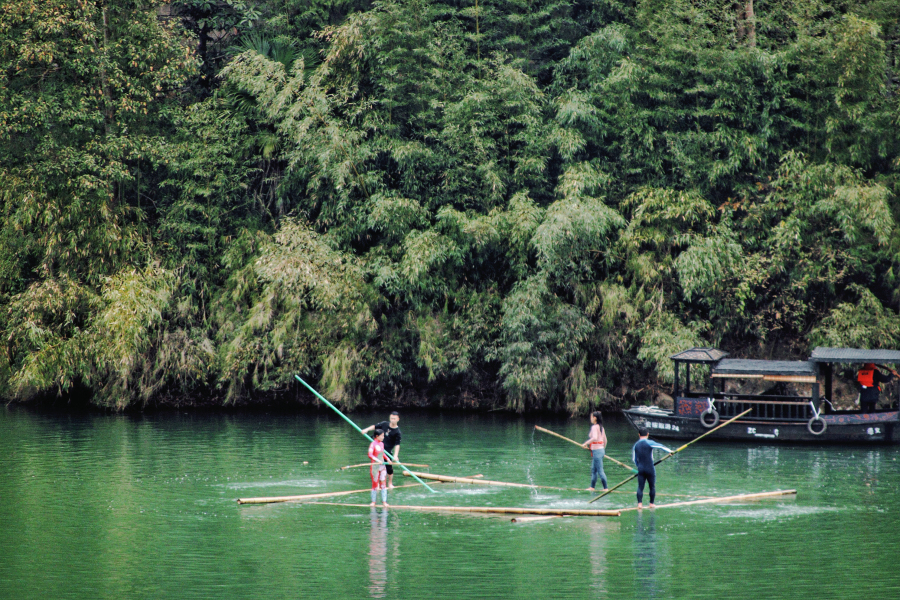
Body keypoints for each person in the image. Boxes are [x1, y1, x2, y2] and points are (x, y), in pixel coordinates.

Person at [632, 427, 673, 509]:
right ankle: (651, 503)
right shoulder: (649, 442)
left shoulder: (636, 445)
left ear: (639, 434)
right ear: (648, 434)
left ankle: (639, 504)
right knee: (652, 486)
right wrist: (670, 451)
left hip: (640, 468)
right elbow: (661, 447)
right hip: (650, 467)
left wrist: (638, 466)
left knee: (640, 487)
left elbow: (634, 459)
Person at [362, 412, 402, 488]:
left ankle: (390, 483)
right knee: (376, 466)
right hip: (377, 449)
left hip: (387, 451)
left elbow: (397, 445)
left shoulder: (398, 432)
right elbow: (375, 426)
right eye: (391, 418)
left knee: (389, 468)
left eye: (394, 419)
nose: (392, 420)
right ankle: (376, 483)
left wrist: (395, 455)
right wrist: (366, 429)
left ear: (398, 419)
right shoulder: (384, 424)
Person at [582, 411, 608, 492]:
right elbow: (605, 440)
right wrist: (602, 449)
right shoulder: (601, 427)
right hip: (599, 450)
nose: (590, 419)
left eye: (591, 417)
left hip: (597, 451)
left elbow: (594, 438)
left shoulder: (594, 427)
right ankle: (592, 487)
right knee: (594, 470)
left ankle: (605, 488)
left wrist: (585, 443)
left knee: (600, 470)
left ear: (595, 418)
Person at [368, 429, 389, 507]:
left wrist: (388, 459)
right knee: (375, 484)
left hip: (382, 467)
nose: (383, 437)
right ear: (377, 436)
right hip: (375, 467)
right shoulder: (372, 444)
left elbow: (382, 453)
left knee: (383, 484)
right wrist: (377, 460)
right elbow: (370, 454)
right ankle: (373, 501)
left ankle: (384, 501)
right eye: (382, 436)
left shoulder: (382, 444)